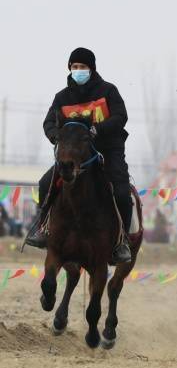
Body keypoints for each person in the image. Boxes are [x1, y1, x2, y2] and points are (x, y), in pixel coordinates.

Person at [25, 47, 132, 264]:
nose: (78, 70)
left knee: (121, 191)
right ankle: (42, 228)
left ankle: (122, 242)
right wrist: (57, 137)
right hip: (73, 153)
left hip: (107, 150)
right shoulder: (61, 97)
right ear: (70, 69)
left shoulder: (108, 91)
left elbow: (121, 116)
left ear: (91, 69)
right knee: (45, 182)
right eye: (74, 67)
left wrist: (97, 130)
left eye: (82, 67)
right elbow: (48, 122)